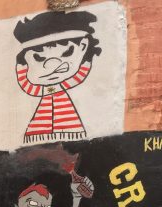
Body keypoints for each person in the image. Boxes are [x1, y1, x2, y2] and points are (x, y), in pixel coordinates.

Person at [13, 11, 102, 144]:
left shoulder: (56, 86)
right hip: (39, 136)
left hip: (71, 133)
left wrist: (88, 59)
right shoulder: (49, 89)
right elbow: (27, 86)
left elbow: (79, 75)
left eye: (66, 53)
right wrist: (20, 67)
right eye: (39, 58)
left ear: (83, 46)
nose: (52, 66)